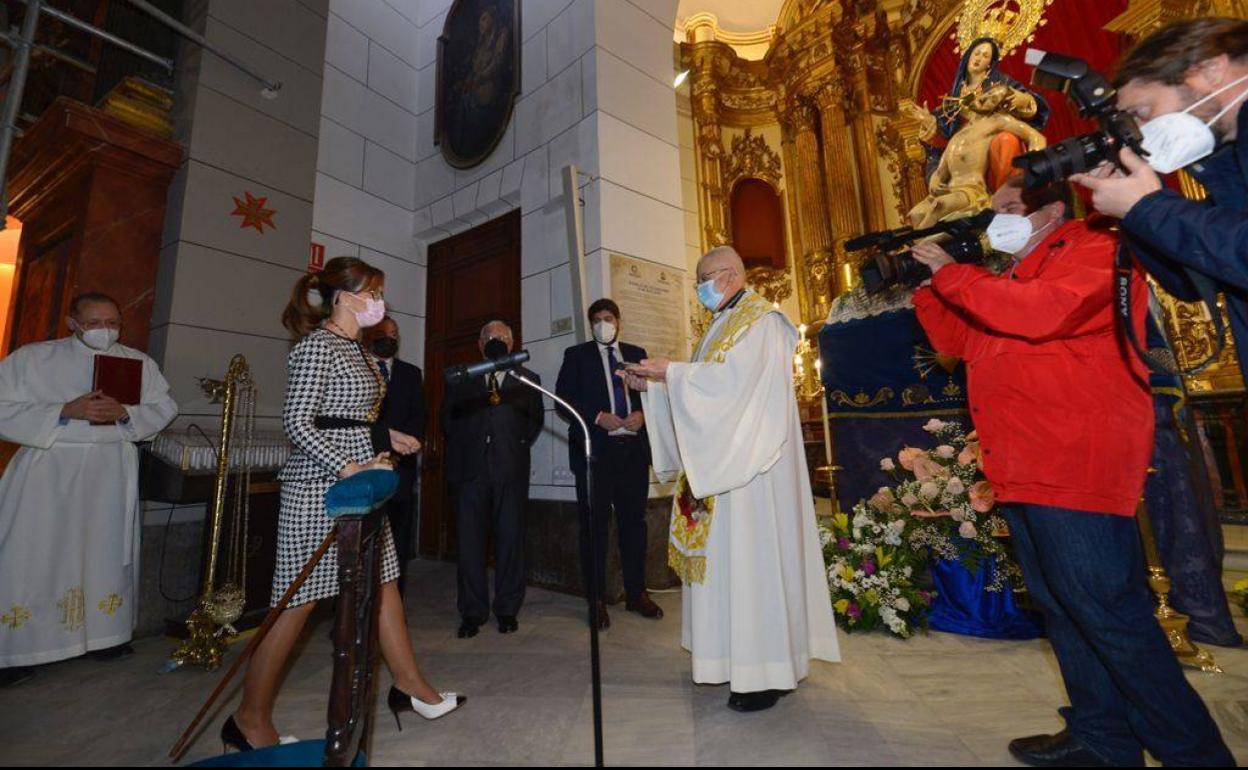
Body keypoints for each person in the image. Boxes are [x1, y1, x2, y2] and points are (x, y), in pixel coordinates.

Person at [910, 185, 1235, 766]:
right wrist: (926, 285)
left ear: (1052, 209)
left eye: (1009, 208)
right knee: (1062, 605)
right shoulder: (1015, 274)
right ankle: (1101, 736)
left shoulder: (1098, 248)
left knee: (1110, 612)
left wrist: (956, 275)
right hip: (1024, 463)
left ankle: (1196, 755)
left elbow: (1044, 315)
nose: (997, 221)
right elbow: (959, 344)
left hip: (1073, 461)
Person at [229, 257, 461, 751]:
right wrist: (346, 465)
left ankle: (410, 685)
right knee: (296, 602)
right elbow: (298, 422)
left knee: (383, 583)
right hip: (320, 486)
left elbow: (348, 415)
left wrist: (384, 439)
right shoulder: (317, 346)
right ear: (343, 296)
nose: (379, 301)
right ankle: (249, 719)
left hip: (361, 480)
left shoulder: (356, 350)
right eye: (372, 291)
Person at [620, 246, 840, 713]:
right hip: (726, 471)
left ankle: (766, 673)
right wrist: (657, 387)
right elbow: (705, 386)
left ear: (729, 275)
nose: (700, 288)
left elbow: (736, 389)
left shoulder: (763, 321)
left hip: (753, 473)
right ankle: (727, 660)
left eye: (703, 278)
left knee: (753, 567)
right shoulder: (721, 324)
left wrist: (673, 372)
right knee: (729, 569)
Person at [0, 293, 177, 685]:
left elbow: (163, 407)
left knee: (104, 550)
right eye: (94, 322)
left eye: (112, 321)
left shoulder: (136, 362)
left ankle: (104, 636)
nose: (105, 330)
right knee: (33, 553)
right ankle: (19, 649)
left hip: (109, 467)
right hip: (48, 469)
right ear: (72, 323)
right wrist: (63, 410)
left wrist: (126, 413)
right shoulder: (33, 358)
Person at [1069, 17, 1248, 383]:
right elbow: (1193, 283)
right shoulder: (1226, 159)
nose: (1144, 135)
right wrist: (1135, 214)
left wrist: (1148, 207)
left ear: (1211, 69)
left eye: (1141, 113)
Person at [555, 298, 662, 630]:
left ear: (619, 321)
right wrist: (598, 416)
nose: (604, 323)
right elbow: (563, 399)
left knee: (635, 524)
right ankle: (596, 599)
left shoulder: (635, 352)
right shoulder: (576, 356)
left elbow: (653, 394)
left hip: (632, 452)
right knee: (594, 528)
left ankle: (636, 593)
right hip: (596, 453)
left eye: (609, 318)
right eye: (598, 319)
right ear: (591, 325)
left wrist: (643, 415)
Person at [441, 320, 543, 638]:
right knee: (470, 544)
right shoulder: (462, 376)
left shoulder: (527, 378)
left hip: (510, 470)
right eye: (488, 336)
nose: (495, 339)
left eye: (501, 336)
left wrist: (508, 445)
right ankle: (472, 612)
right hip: (470, 472)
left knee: (510, 542)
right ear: (479, 344)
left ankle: (507, 610)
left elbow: (533, 424)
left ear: (511, 344)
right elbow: (447, 420)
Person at [366, 315, 426, 599]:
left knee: (396, 542)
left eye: (394, 334)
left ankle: (393, 602)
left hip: (400, 471)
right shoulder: (357, 368)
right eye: (383, 333)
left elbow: (418, 418)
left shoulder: (411, 373)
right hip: (362, 468)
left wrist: (398, 453)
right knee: (362, 542)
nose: (390, 338)